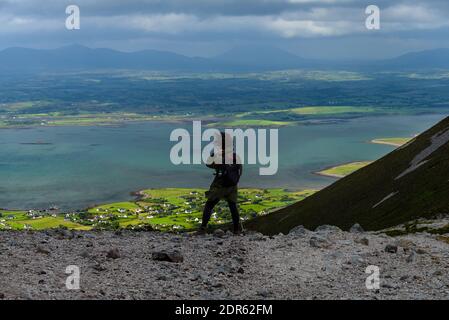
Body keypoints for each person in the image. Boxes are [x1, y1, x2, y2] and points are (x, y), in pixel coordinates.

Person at [197, 132, 243, 235]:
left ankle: (202, 228)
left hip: (221, 185)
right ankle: (237, 230)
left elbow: (209, 163)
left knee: (209, 204)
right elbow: (239, 171)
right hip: (233, 185)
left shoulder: (219, 156)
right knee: (232, 206)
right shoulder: (235, 156)